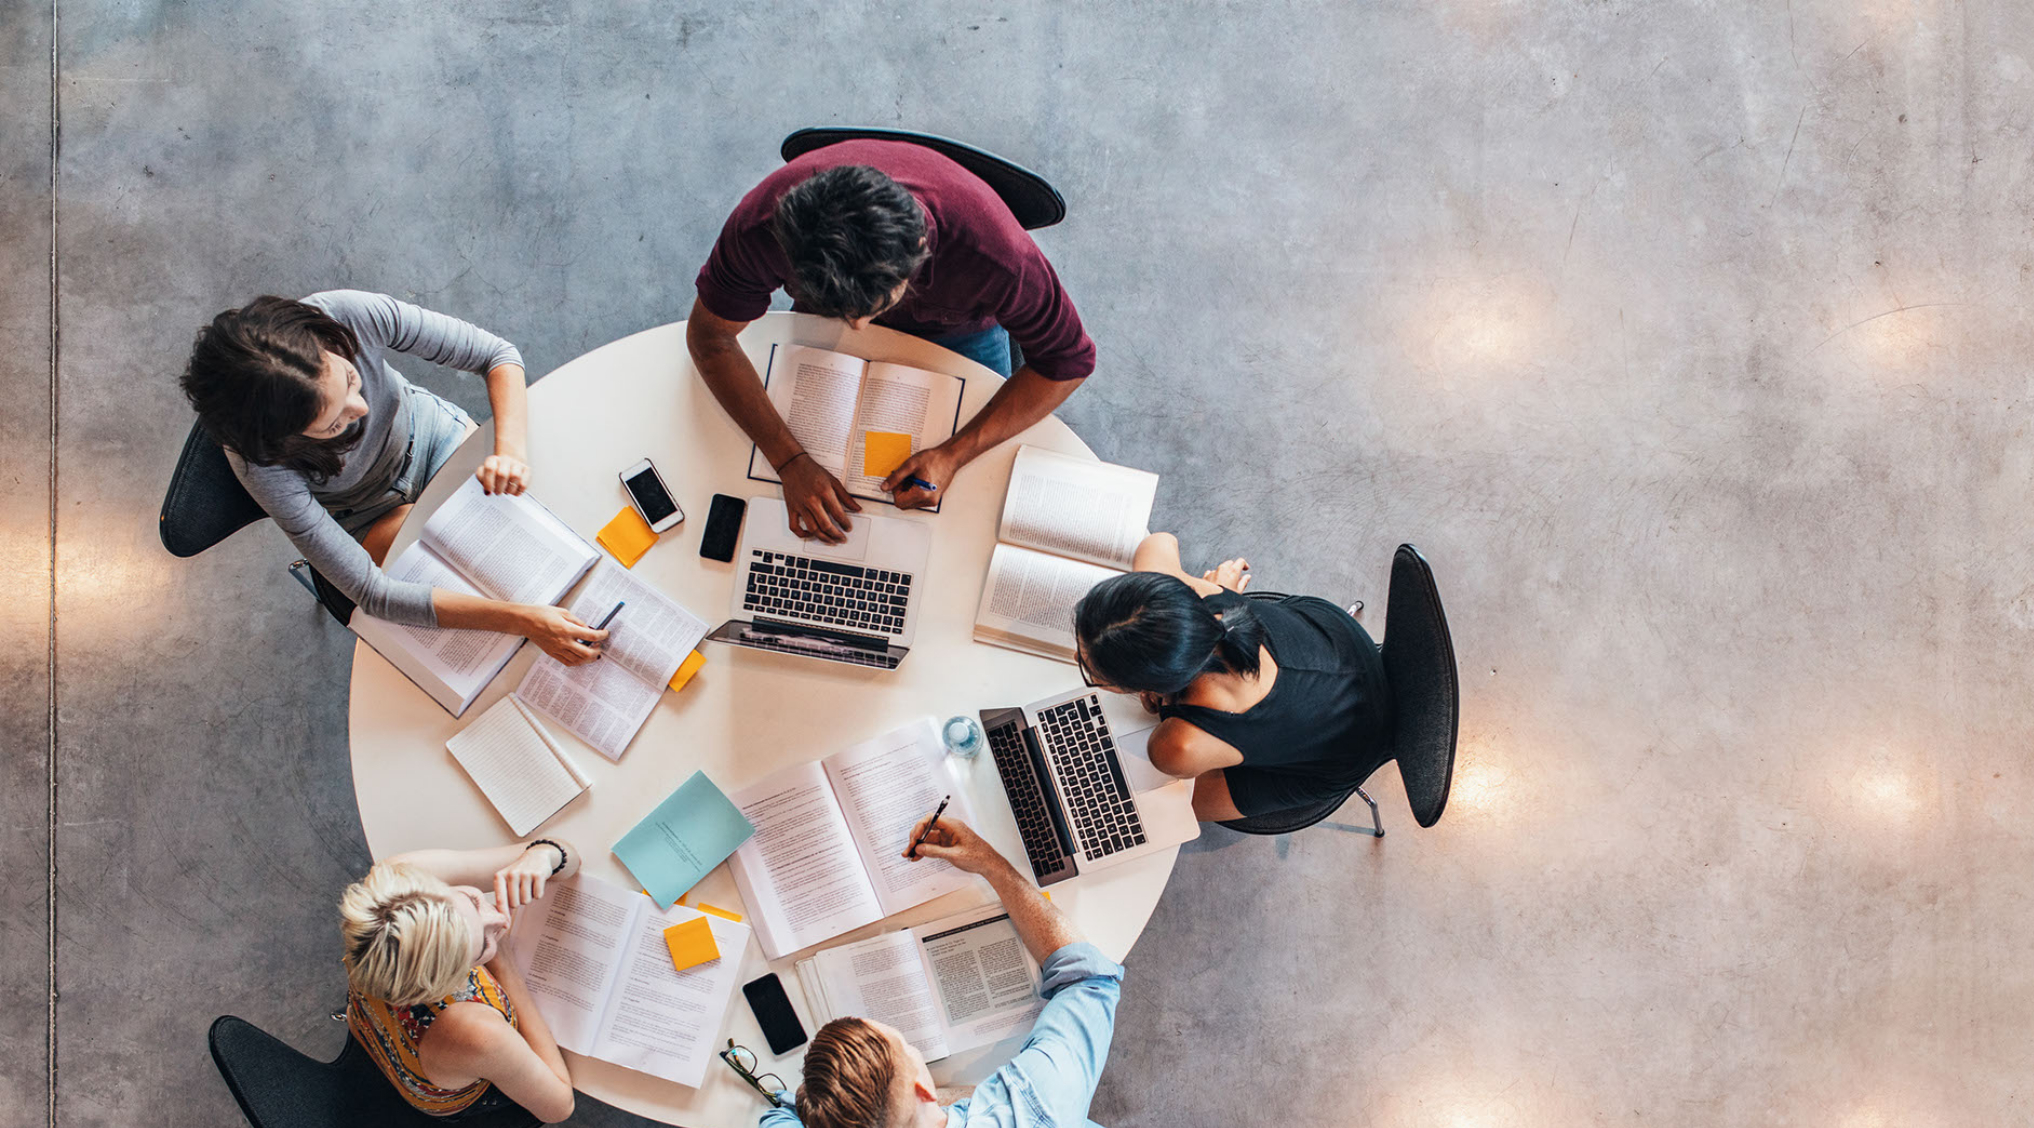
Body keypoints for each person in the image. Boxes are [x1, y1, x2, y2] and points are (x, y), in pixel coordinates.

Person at [755, 816, 1141, 1128]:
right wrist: (990, 863)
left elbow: (775, 1122)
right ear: (922, 1085)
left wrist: (809, 1104)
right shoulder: (1033, 1112)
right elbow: (1089, 979)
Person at [687, 138, 1096, 541]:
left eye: (873, 306)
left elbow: (1068, 363)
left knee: (968, 503)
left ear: (920, 249)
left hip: (961, 332)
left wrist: (954, 453)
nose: (858, 329)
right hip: (827, 324)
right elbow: (711, 339)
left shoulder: (998, 257)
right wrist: (789, 459)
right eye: (845, 311)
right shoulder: (761, 226)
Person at [179, 291, 606, 664]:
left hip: (436, 440)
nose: (361, 409)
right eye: (334, 424)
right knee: (483, 596)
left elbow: (497, 355)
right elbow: (373, 593)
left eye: (350, 378)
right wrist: (521, 621)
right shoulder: (260, 463)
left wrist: (509, 451)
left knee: (550, 527)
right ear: (283, 441)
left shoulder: (345, 313)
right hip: (364, 513)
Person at [1073, 535, 1395, 822]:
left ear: (1145, 684)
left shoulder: (1175, 746)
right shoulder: (1195, 594)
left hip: (1347, 751)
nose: (1076, 658)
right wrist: (1218, 592)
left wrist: (1165, 705)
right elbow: (1157, 543)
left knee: (1163, 808)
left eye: (1092, 673)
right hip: (1341, 643)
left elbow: (1172, 747)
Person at [337, 839, 580, 1124]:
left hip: (370, 1022)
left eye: (473, 900)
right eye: (482, 947)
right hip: (445, 1088)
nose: (500, 919)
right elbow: (559, 1106)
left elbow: (567, 855)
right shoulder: (476, 1031)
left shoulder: (398, 881)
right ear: (449, 982)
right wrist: (505, 967)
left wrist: (543, 856)